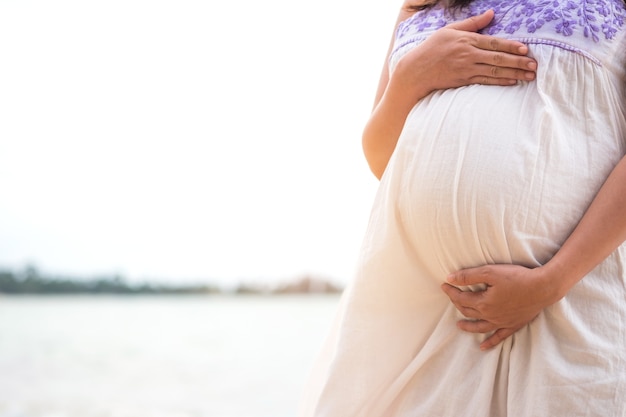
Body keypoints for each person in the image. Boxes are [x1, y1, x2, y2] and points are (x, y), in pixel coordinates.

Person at [298, 0, 626, 415]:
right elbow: (381, 159)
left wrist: (551, 282)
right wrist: (409, 80)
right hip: (423, 315)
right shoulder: (418, 6)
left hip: (566, 303)